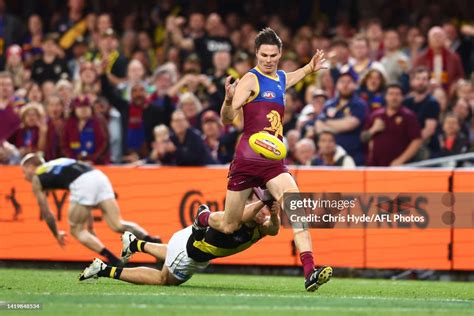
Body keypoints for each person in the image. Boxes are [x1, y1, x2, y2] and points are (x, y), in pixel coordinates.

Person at [193, 28, 332, 291]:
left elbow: (290, 77)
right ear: (256, 54)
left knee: (297, 209)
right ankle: (203, 218)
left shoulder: (279, 78)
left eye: (273, 55)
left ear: (280, 55)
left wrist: (309, 69)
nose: (268, 60)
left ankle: (309, 271)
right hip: (246, 160)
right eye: (264, 55)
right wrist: (227, 100)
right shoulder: (250, 80)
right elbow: (227, 118)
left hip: (273, 164)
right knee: (229, 224)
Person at [79, 193, 285, 286]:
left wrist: (274, 213)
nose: (263, 212)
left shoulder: (260, 226)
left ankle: (135, 244)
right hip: (191, 250)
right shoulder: (236, 219)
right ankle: (104, 269)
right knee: (163, 280)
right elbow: (236, 215)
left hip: (191, 242)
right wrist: (263, 201)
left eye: (265, 209)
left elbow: (274, 229)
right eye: (260, 208)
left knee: (172, 254)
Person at [20, 153, 162, 265]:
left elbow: (46, 213)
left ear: (31, 167)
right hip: (98, 176)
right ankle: (152, 241)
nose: (23, 175)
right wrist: (90, 225)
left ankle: (113, 260)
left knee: (76, 230)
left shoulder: (37, 178)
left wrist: (56, 233)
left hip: (83, 182)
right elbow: (85, 196)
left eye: (23, 171)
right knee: (117, 224)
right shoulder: (58, 162)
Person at [362, 84, 422, 166]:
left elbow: (417, 140)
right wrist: (373, 129)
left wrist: (401, 160)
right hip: (375, 166)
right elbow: (363, 138)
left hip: (399, 167)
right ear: (385, 97)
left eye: (397, 94)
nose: (394, 98)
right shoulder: (375, 115)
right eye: (391, 94)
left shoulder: (409, 116)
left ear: (402, 97)